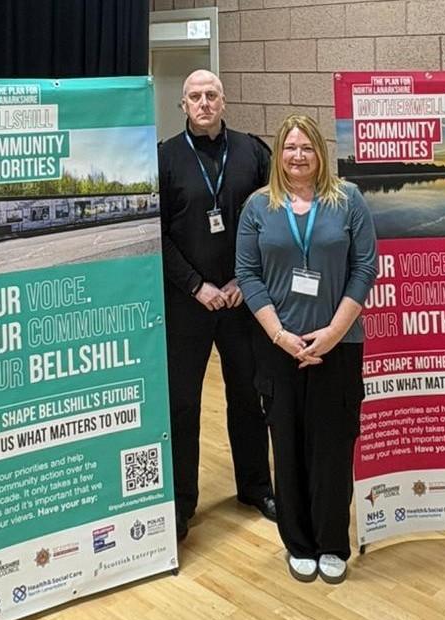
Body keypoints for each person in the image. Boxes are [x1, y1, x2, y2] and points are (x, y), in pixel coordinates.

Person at [235, 114, 378, 584]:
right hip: (279, 348)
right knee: (288, 444)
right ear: (279, 154)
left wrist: (333, 332)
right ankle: (298, 543)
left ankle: (332, 542)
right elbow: (248, 275)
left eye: (307, 147)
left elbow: (364, 268)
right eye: (290, 147)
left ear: (320, 152)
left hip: (338, 345)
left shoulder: (348, 200)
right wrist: (279, 335)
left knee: (333, 447)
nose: (298, 156)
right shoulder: (258, 206)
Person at [158, 69, 276, 540]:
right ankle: (180, 503)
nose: (203, 103)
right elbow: (155, 233)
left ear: (223, 101)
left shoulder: (252, 152)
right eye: (195, 96)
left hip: (242, 300)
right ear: (183, 105)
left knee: (248, 396)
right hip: (187, 302)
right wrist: (196, 286)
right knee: (183, 404)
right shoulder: (165, 157)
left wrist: (245, 279)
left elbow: (273, 222)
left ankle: (255, 486)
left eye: (211, 95)